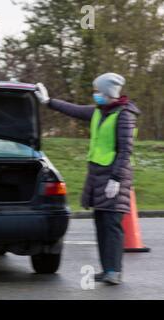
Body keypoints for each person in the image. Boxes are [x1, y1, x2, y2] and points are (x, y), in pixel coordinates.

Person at [34, 73, 141, 285]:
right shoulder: (98, 112)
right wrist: (48, 102)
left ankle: (114, 271)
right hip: (98, 176)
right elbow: (73, 110)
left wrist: (116, 179)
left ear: (108, 92)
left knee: (111, 225)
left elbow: (125, 150)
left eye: (99, 91)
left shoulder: (124, 116)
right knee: (101, 223)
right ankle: (108, 269)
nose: (96, 95)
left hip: (113, 177)